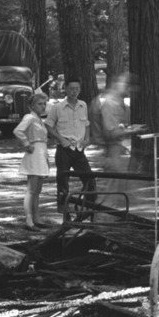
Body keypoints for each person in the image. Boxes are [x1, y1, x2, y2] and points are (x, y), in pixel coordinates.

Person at [49, 77, 97, 215]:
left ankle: (90, 207)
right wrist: (60, 138)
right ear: (65, 89)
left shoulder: (83, 105)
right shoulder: (57, 107)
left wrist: (87, 139)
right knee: (63, 180)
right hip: (64, 149)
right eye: (71, 88)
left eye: (77, 89)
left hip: (79, 149)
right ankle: (64, 208)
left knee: (90, 179)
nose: (74, 91)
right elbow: (48, 126)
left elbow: (86, 124)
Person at [13, 91, 53, 230]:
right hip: (34, 152)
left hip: (41, 153)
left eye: (44, 104)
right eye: (39, 104)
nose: (42, 106)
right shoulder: (29, 117)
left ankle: (37, 218)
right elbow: (18, 131)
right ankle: (29, 220)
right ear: (32, 105)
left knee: (37, 190)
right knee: (31, 189)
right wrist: (26, 144)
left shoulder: (39, 119)